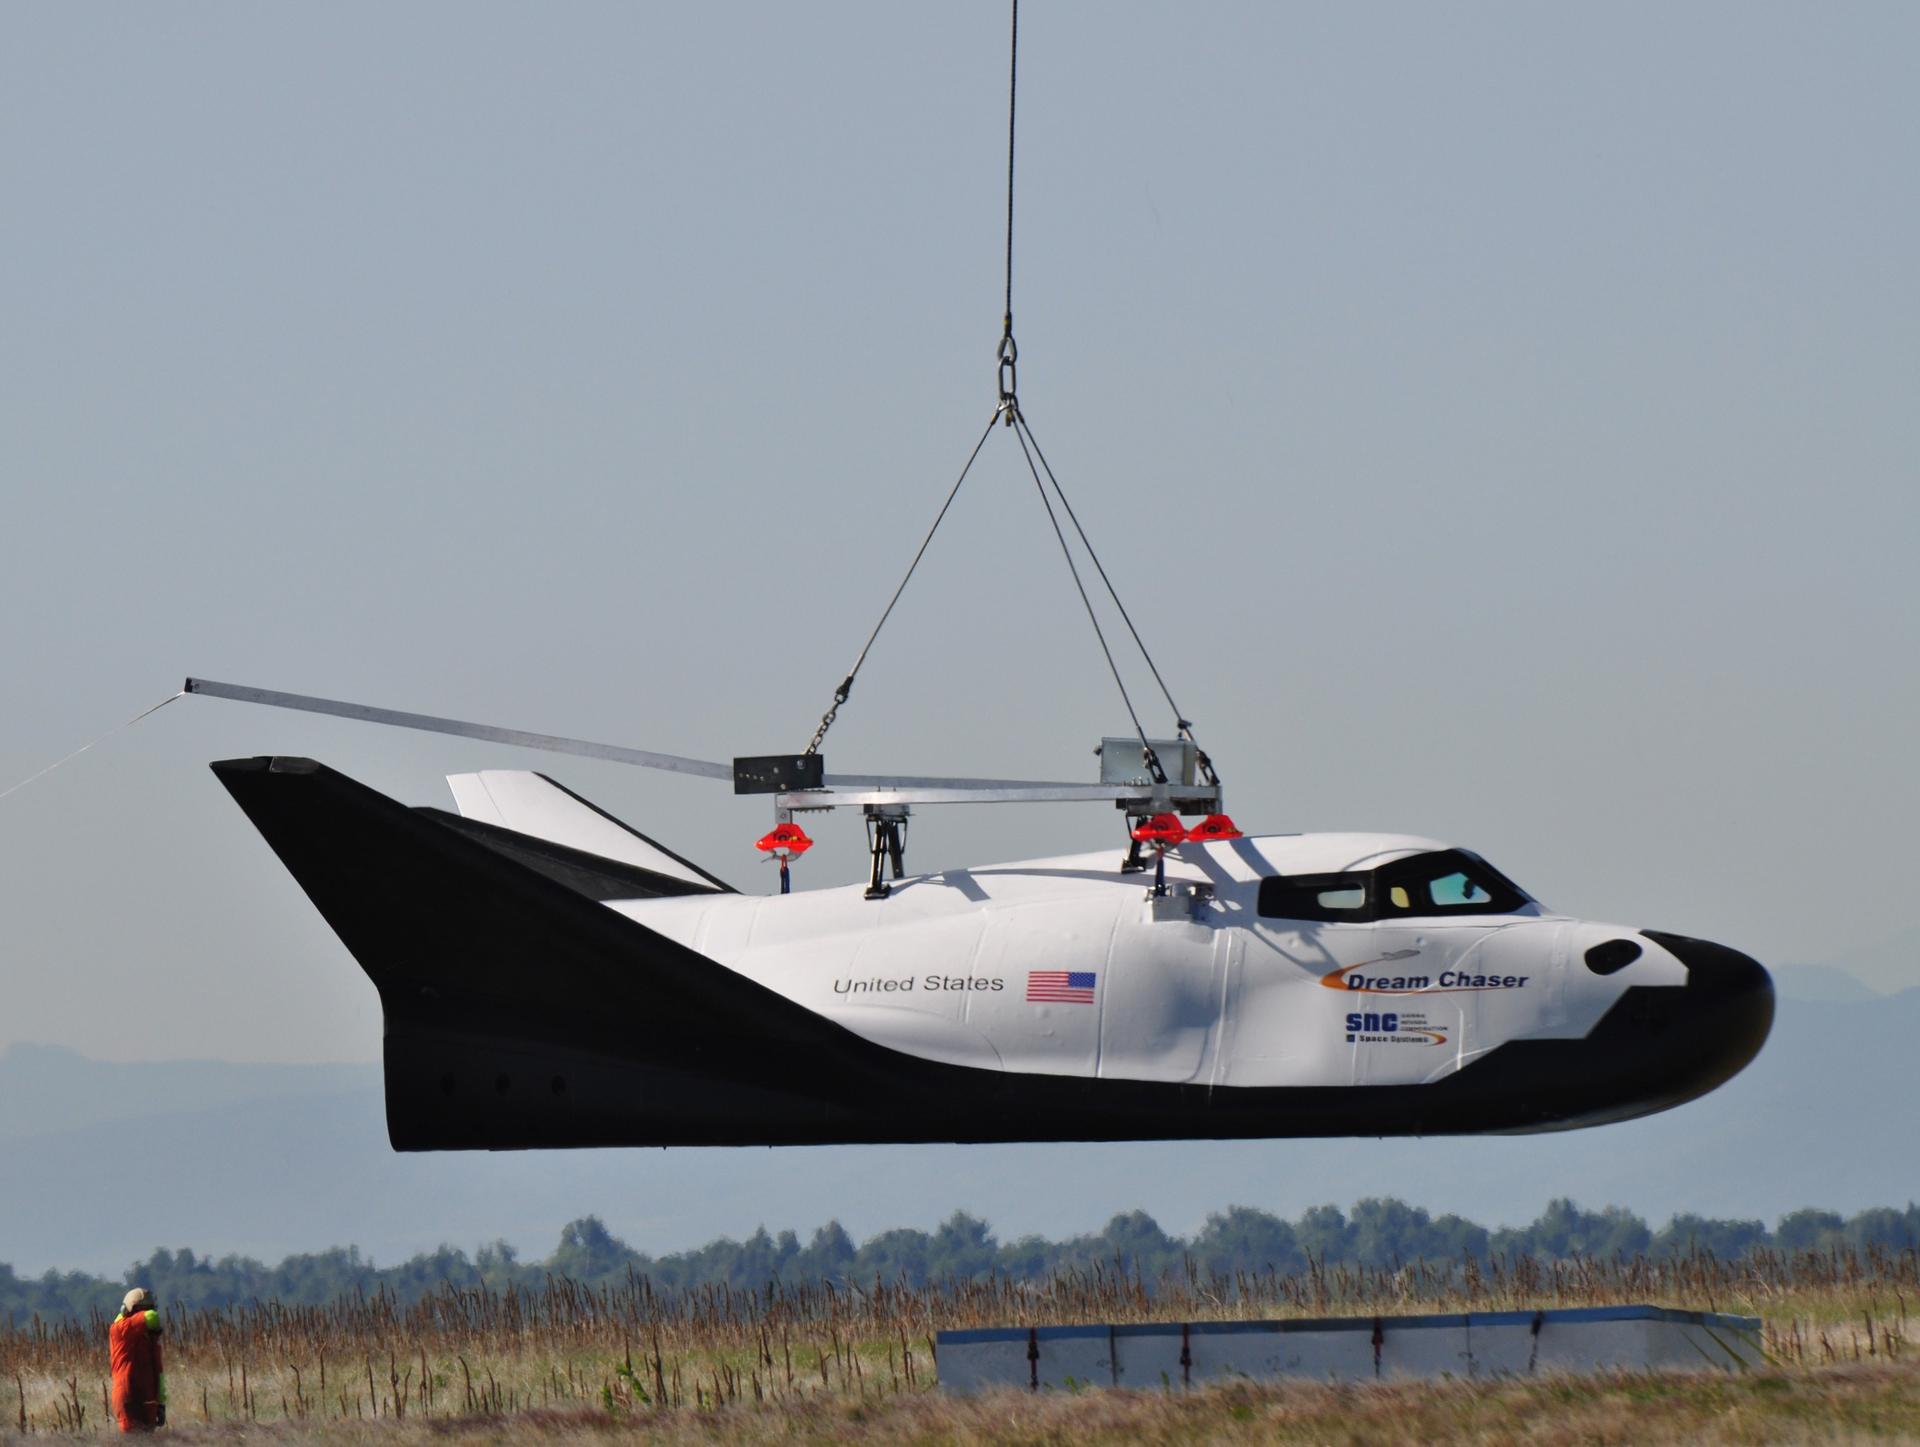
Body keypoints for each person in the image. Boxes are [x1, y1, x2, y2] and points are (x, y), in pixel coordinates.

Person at [108, 1287, 166, 1432]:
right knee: (132, 1440)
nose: (147, 1312)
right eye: (142, 1309)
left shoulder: (149, 1338)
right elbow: (152, 1316)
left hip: (148, 1397)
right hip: (128, 1395)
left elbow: (158, 1372)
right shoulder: (121, 1328)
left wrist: (160, 1403)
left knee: (148, 1440)